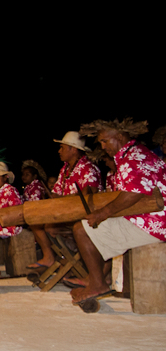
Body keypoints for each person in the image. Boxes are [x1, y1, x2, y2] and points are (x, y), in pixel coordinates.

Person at [70, 119, 166, 308]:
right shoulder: (135, 153)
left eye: (105, 141)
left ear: (120, 137)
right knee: (94, 228)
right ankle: (95, 278)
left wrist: (103, 213)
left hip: (154, 224)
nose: (103, 146)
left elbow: (134, 192)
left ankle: (97, 284)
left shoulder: (134, 157)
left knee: (81, 229)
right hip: (152, 219)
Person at [29, 131, 102, 269]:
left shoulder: (88, 168)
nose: (59, 151)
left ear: (73, 149)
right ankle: (52, 257)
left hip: (83, 216)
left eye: (62, 147)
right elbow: (56, 194)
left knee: (49, 227)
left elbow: (89, 193)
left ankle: (68, 263)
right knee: (35, 222)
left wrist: (64, 200)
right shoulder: (65, 170)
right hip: (66, 213)